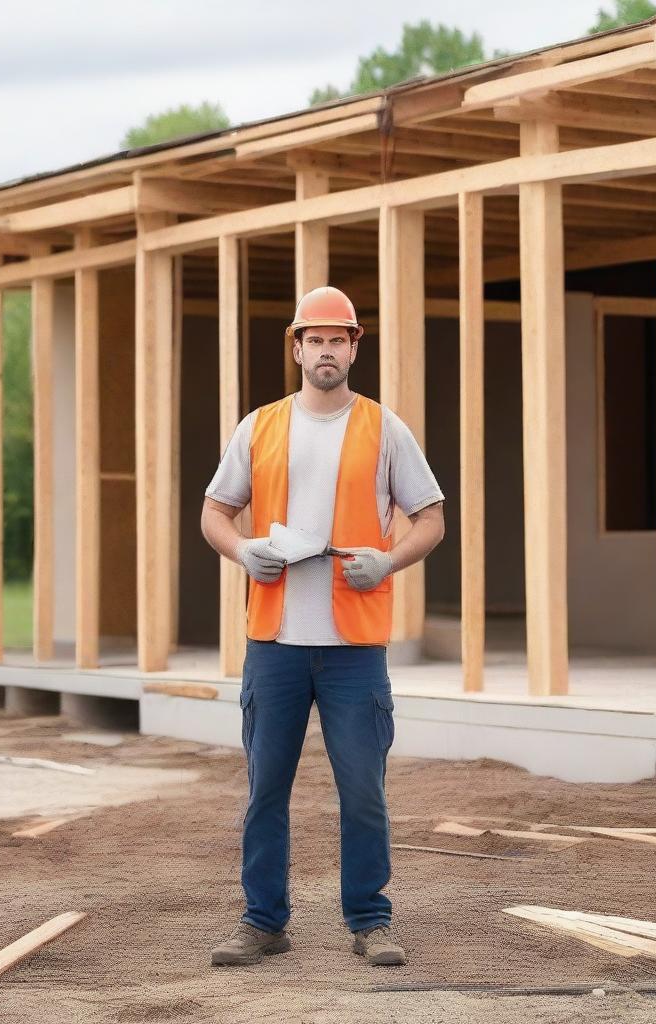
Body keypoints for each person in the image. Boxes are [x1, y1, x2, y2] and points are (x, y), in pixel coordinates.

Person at [200, 285, 445, 967]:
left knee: (363, 791)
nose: (327, 350)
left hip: (353, 649)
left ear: (355, 346)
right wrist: (242, 549)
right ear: (298, 346)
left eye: (340, 339)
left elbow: (431, 519)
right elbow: (215, 513)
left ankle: (370, 921)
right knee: (264, 790)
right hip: (274, 643)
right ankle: (262, 921)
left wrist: (389, 561)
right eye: (316, 339)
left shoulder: (385, 428)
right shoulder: (260, 427)